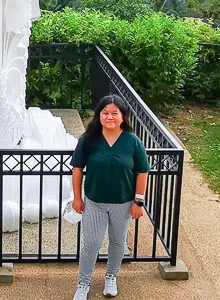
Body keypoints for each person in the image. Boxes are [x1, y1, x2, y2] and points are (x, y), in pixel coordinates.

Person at [70, 94, 149, 299]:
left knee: (117, 241)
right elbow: (77, 169)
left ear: (123, 116)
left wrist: (138, 202)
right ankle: (83, 284)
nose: (110, 117)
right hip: (95, 201)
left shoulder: (132, 142)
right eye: (105, 112)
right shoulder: (89, 140)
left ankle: (111, 276)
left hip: (123, 203)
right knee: (91, 244)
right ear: (99, 115)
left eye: (115, 113)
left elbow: (142, 172)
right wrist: (77, 198)